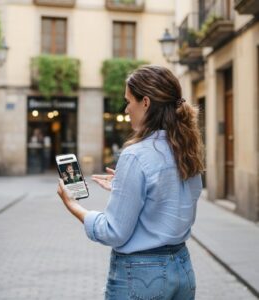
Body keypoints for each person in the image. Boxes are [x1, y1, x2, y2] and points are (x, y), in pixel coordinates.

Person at [57, 65, 204, 300]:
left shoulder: (136, 155)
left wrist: (73, 205)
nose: (126, 109)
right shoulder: (187, 149)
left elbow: (114, 232)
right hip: (182, 269)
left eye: (129, 101)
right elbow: (169, 201)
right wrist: (124, 186)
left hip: (142, 275)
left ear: (145, 102)